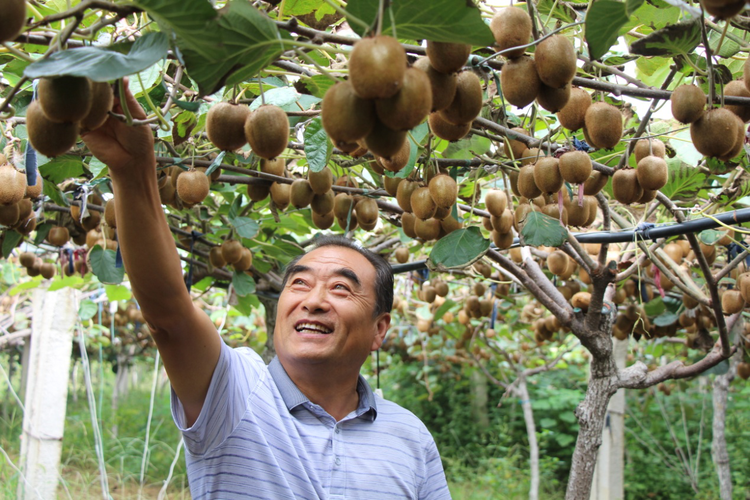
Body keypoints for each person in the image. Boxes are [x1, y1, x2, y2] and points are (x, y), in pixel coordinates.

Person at [82, 82, 451, 499]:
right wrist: (132, 172)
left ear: (379, 329)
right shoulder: (233, 393)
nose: (313, 300)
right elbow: (168, 316)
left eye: (341, 290)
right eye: (299, 284)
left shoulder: (409, 437)